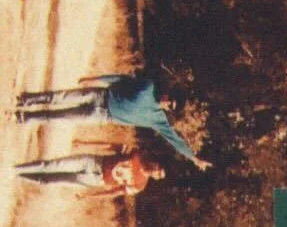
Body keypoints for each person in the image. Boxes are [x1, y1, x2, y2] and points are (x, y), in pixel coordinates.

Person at [15, 73, 212, 170]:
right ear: (167, 94)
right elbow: (121, 79)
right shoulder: (148, 87)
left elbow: (174, 140)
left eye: (171, 106)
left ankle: (25, 117)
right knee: (60, 98)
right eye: (170, 99)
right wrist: (96, 79)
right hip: (100, 95)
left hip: (103, 116)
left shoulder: (158, 120)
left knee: (61, 117)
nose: (168, 103)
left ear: (170, 110)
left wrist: (194, 158)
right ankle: (26, 100)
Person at [15, 150, 166, 198]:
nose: (156, 171)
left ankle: (19, 176)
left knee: (51, 180)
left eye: (158, 174)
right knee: (51, 165)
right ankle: (16, 169)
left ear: (156, 178)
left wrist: (89, 195)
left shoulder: (139, 185)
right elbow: (112, 146)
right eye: (158, 168)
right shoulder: (138, 155)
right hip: (94, 162)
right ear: (156, 164)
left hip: (95, 179)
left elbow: (114, 192)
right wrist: (84, 143)